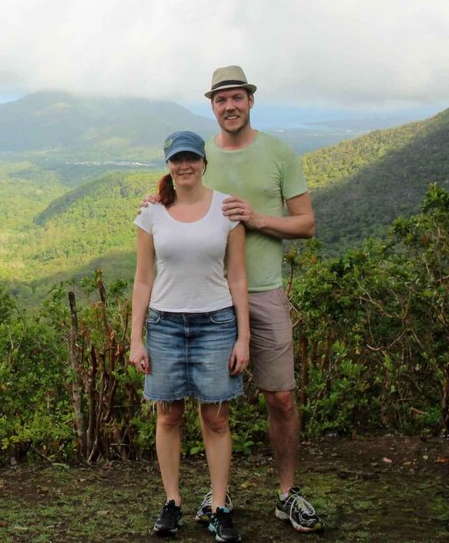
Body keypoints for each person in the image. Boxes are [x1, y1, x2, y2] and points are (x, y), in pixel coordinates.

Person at [195, 65, 324, 533]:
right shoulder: (201, 154)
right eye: (220, 99)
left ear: (251, 100)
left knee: (282, 397)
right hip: (210, 296)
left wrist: (256, 217)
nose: (229, 106)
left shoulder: (279, 152)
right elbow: (178, 201)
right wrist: (154, 202)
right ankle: (219, 491)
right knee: (215, 403)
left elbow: (306, 224)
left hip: (265, 290)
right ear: (212, 105)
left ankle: (287, 493)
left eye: (237, 97)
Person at [130, 130, 249, 542]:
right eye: (177, 160)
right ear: (168, 165)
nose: (185, 166)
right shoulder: (152, 213)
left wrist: (243, 338)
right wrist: (136, 338)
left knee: (216, 419)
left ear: (203, 162)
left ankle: (219, 506)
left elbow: (237, 276)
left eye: (191, 159)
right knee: (169, 415)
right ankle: (173, 502)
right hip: (164, 325)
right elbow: (143, 280)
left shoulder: (226, 210)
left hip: (216, 324)